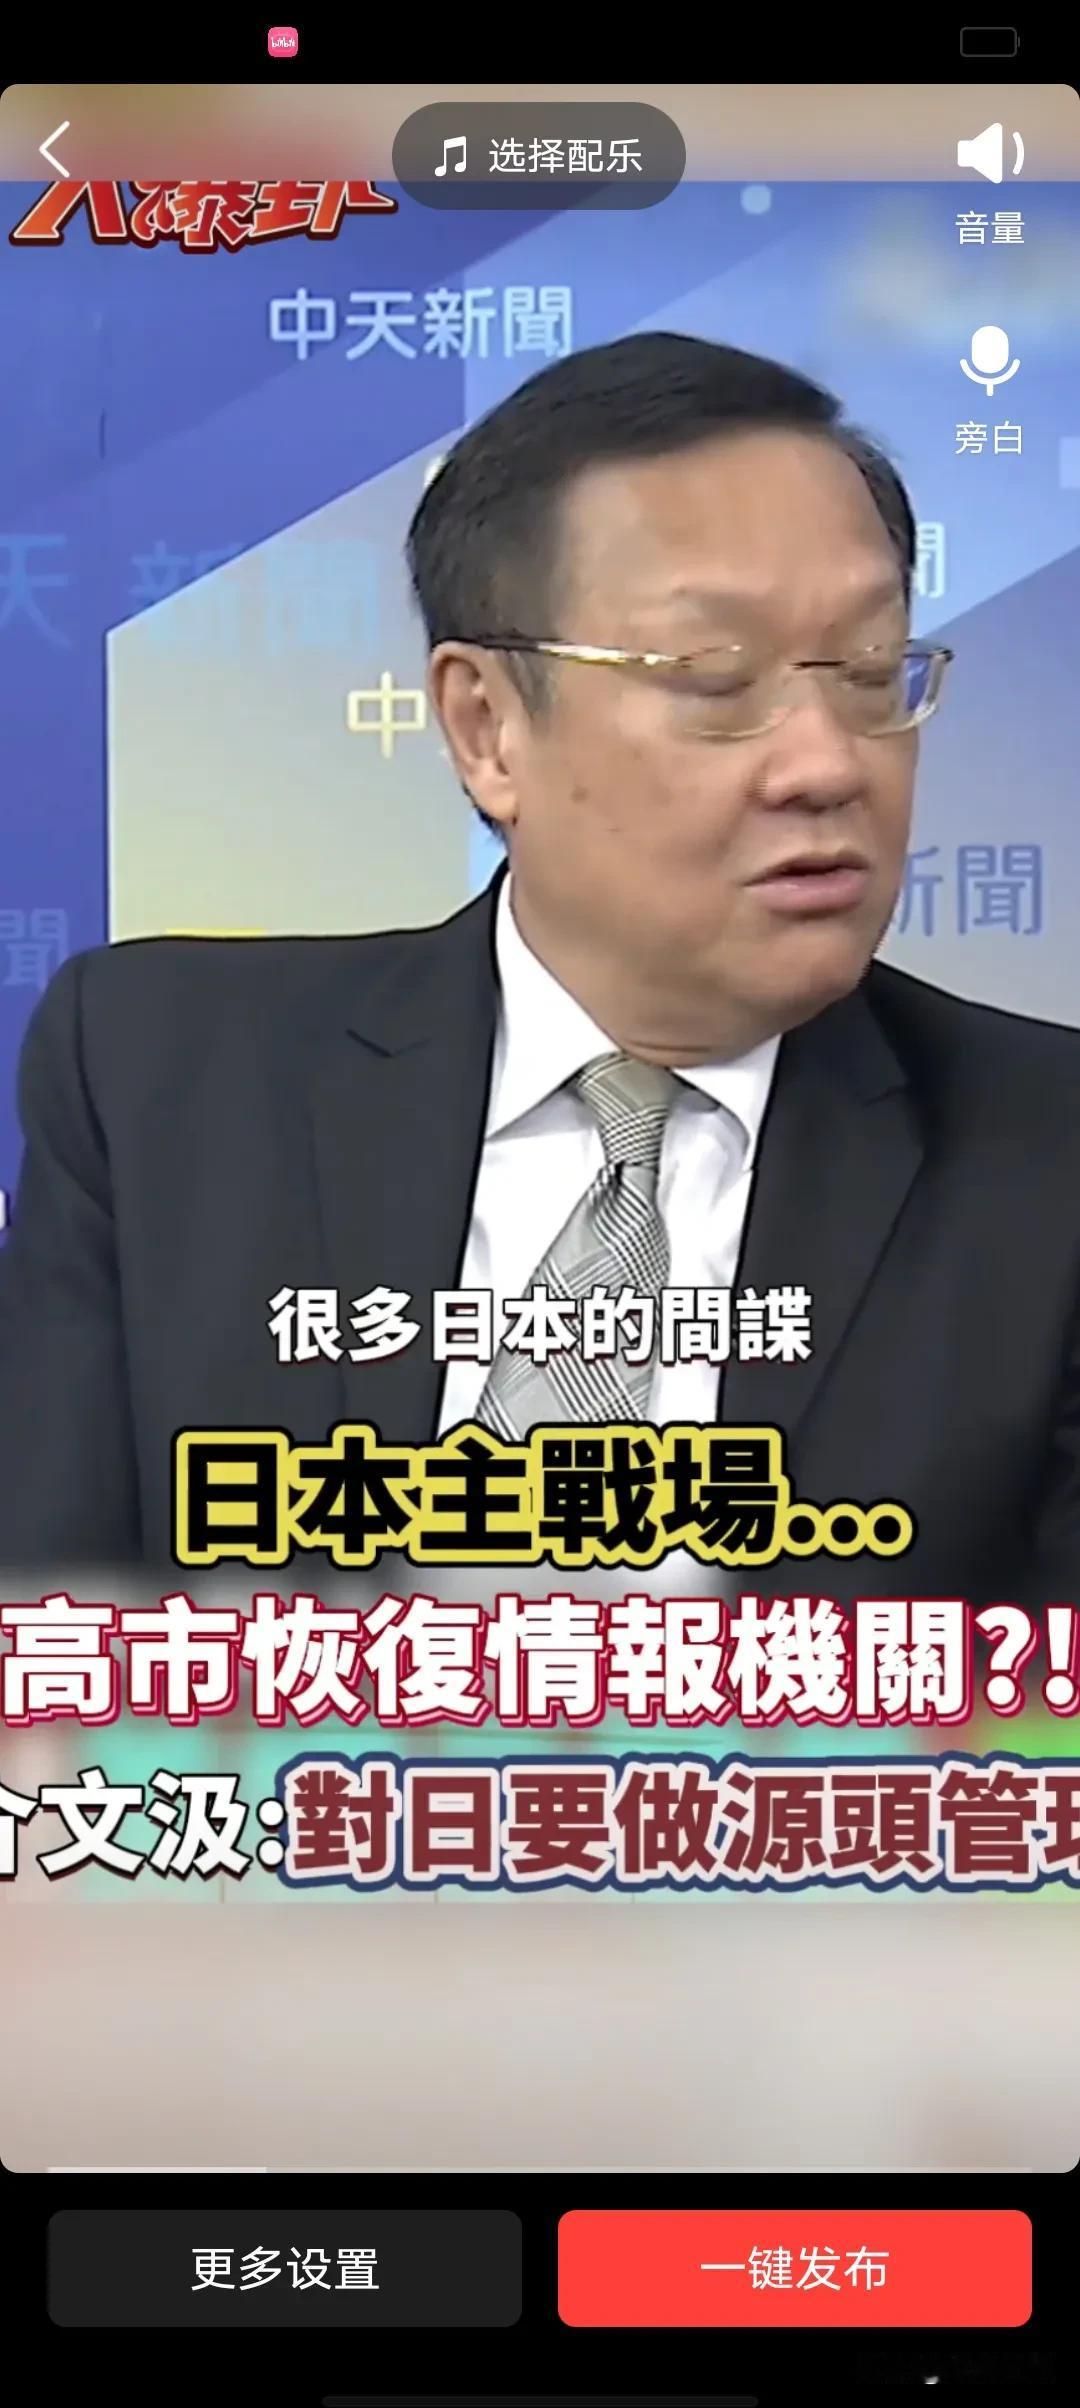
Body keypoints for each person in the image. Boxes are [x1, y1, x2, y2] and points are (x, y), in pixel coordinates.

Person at [1, 328, 1080, 1602]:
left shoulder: (1042, 1154)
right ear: (487, 726)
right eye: (715, 678)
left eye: (865, 671)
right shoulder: (160, 1072)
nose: (828, 763)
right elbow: (51, 1639)